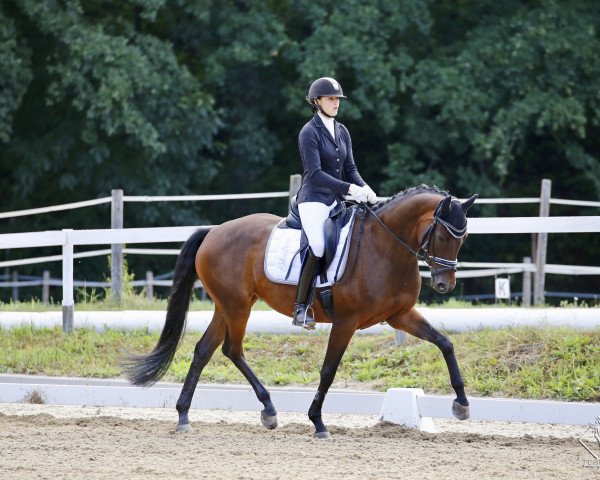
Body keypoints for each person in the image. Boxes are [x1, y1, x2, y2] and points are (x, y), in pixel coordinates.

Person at [292, 77, 378, 329]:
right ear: (316, 101)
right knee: (318, 245)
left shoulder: (342, 131)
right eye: (330, 98)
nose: (335, 103)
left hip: (336, 201)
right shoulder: (309, 132)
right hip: (313, 200)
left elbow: (350, 168)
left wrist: (364, 187)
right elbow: (316, 173)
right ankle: (301, 307)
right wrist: (349, 189)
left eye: (337, 99)